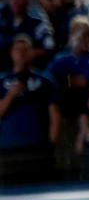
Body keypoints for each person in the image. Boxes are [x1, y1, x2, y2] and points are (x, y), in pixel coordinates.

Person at [0, 33, 61, 182]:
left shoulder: (45, 81)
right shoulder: (2, 80)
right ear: (11, 53)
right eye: (18, 49)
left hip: (38, 148)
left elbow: (55, 115)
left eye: (26, 49)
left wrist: (50, 144)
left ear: (32, 53)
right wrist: (12, 94)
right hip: (8, 148)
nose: (21, 53)